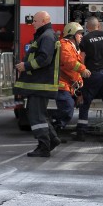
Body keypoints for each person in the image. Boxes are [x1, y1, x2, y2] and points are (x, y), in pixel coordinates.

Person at [14, 11, 61, 157]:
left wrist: (26, 66)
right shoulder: (45, 35)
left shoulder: (46, 37)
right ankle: (52, 139)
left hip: (41, 84)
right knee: (41, 115)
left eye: (35, 20)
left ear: (43, 21)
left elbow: (44, 59)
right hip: (40, 84)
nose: (32, 23)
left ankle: (43, 147)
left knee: (36, 117)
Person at [53, 22, 91, 133]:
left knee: (68, 108)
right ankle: (53, 127)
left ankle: (55, 130)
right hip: (62, 84)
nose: (82, 36)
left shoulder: (74, 48)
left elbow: (75, 73)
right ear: (72, 34)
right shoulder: (64, 45)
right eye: (79, 34)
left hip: (68, 86)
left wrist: (79, 91)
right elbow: (69, 62)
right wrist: (83, 69)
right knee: (67, 108)